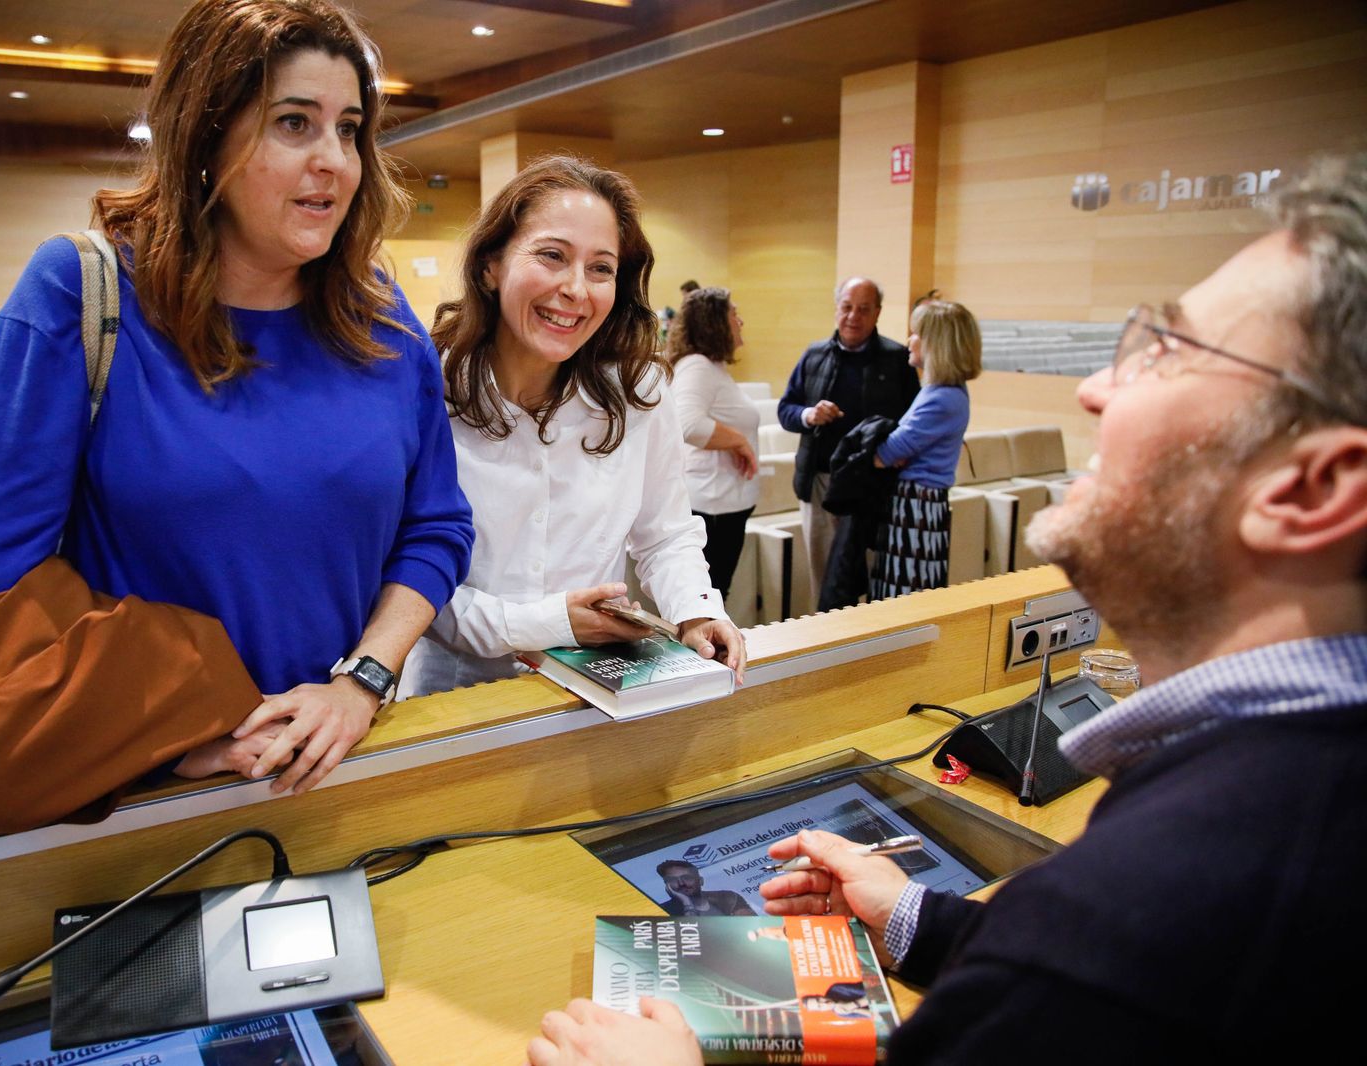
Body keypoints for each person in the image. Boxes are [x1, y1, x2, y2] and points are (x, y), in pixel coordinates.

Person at [525, 150, 1367, 1065]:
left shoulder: (1176, 890)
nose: (1096, 388)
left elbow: (1093, 971)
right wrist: (916, 919)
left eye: (1164, 350)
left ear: (1312, 489)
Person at [0, 0, 473, 795]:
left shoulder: (382, 319)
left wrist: (362, 681)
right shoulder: (77, 294)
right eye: (295, 123)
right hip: (142, 784)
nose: (334, 159)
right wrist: (163, 741)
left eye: (349, 129)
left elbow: (436, 526)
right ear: (205, 134)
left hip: (336, 760)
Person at [400, 155, 745, 697]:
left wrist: (695, 613)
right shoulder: (424, 389)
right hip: (454, 697)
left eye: (601, 268)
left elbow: (666, 534)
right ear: (492, 264)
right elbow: (410, 580)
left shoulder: (640, 393)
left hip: (591, 692)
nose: (576, 289)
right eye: (552, 256)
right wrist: (549, 622)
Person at [778, 277, 917, 611]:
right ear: (837, 308)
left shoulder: (897, 358)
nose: (854, 316)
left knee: (872, 573)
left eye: (864, 309)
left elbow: (913, 419)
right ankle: (826, 650)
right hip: (821, 483)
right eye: (847, 307)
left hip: (873, 487)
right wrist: (809, 415)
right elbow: (786, 410)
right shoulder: (814, 355)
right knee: (825, 578)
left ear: (878, 313)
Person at [868, 300, 982, 599]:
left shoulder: (942, 398)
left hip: (916, 506)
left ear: (937, 343)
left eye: (916, 333)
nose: (909, 340)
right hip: (917, 503)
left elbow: (885, 455)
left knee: (903, 600)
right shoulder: (940, 391)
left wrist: (890, 454)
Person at [667, 287, 758, 600]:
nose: (741, 322)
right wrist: (738, 441)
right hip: (712, 508)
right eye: (734, 314)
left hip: (724, 504)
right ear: (715, 322)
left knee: (716, 595)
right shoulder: (697, 366)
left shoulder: (711, 368)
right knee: (706, 601)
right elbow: (686, 423)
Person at [655, 859, 755, 917]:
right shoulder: (660, 912)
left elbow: (753, 927)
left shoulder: (727, 897)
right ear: (666, 885)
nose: (681, 883)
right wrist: (687, 903)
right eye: (672, 880)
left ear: (701, 881)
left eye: (687, 878)